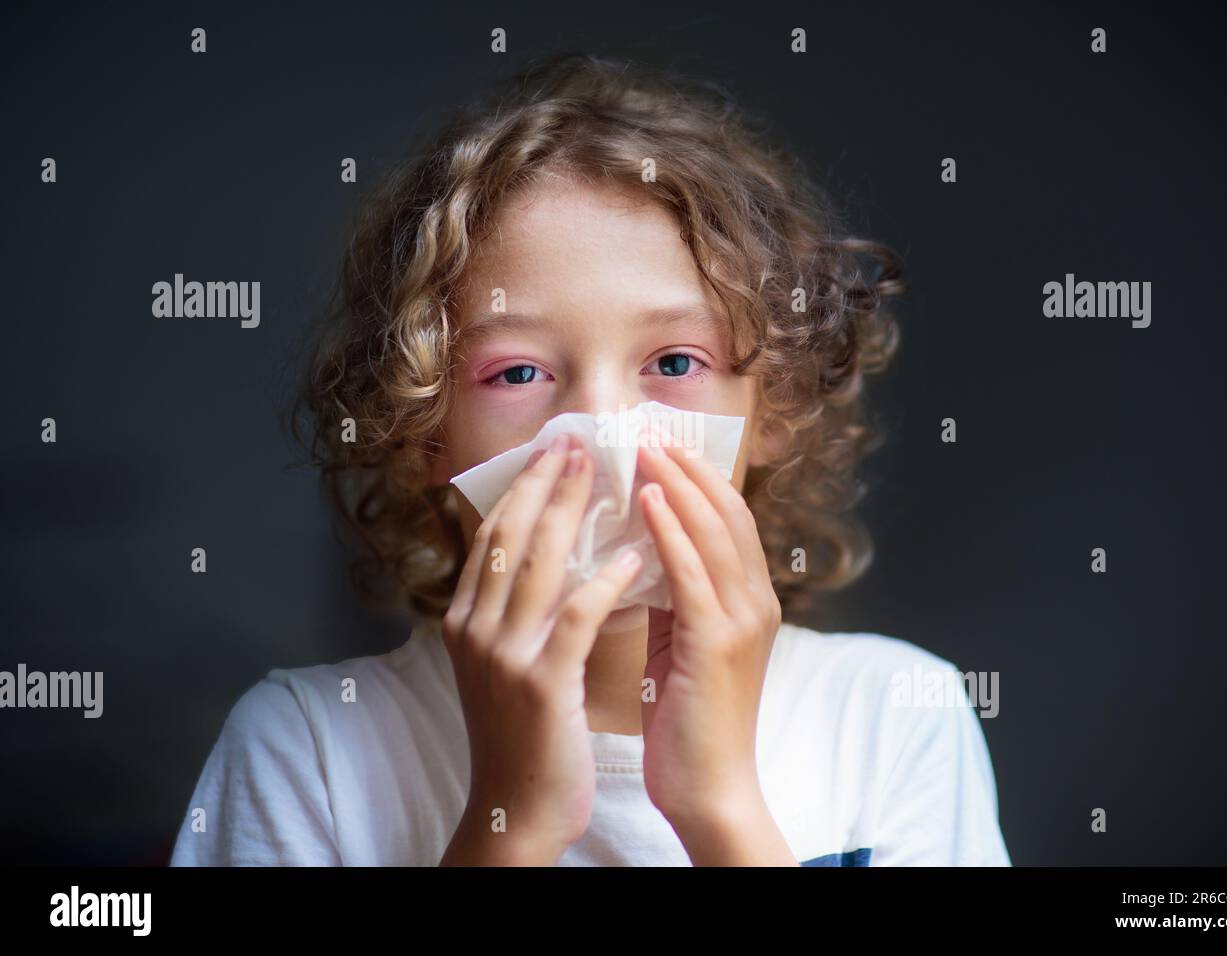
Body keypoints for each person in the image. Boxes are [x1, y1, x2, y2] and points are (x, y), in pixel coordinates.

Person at [170, 52, 1011, 867]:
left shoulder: (895, 716)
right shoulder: (307, 751)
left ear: (775, 412)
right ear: (424, 433)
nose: (603, 429)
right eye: (519, 372)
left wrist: (719, 808)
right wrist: (512, 821)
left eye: (674, 363)